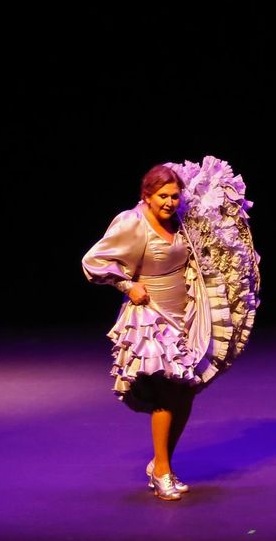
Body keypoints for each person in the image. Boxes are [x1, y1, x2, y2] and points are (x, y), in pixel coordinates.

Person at [83, 159, 262, 499]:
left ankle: (161, 462)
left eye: (175, 196)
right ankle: (162, 471)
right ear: (146, 196)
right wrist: (126, 285)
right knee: (167, 391)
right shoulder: (133, 223)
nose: (169, 202)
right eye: (163, 196)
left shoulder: (180, 222)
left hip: (186, 317)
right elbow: (93, 260)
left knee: (184, 392)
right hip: (151, 315)